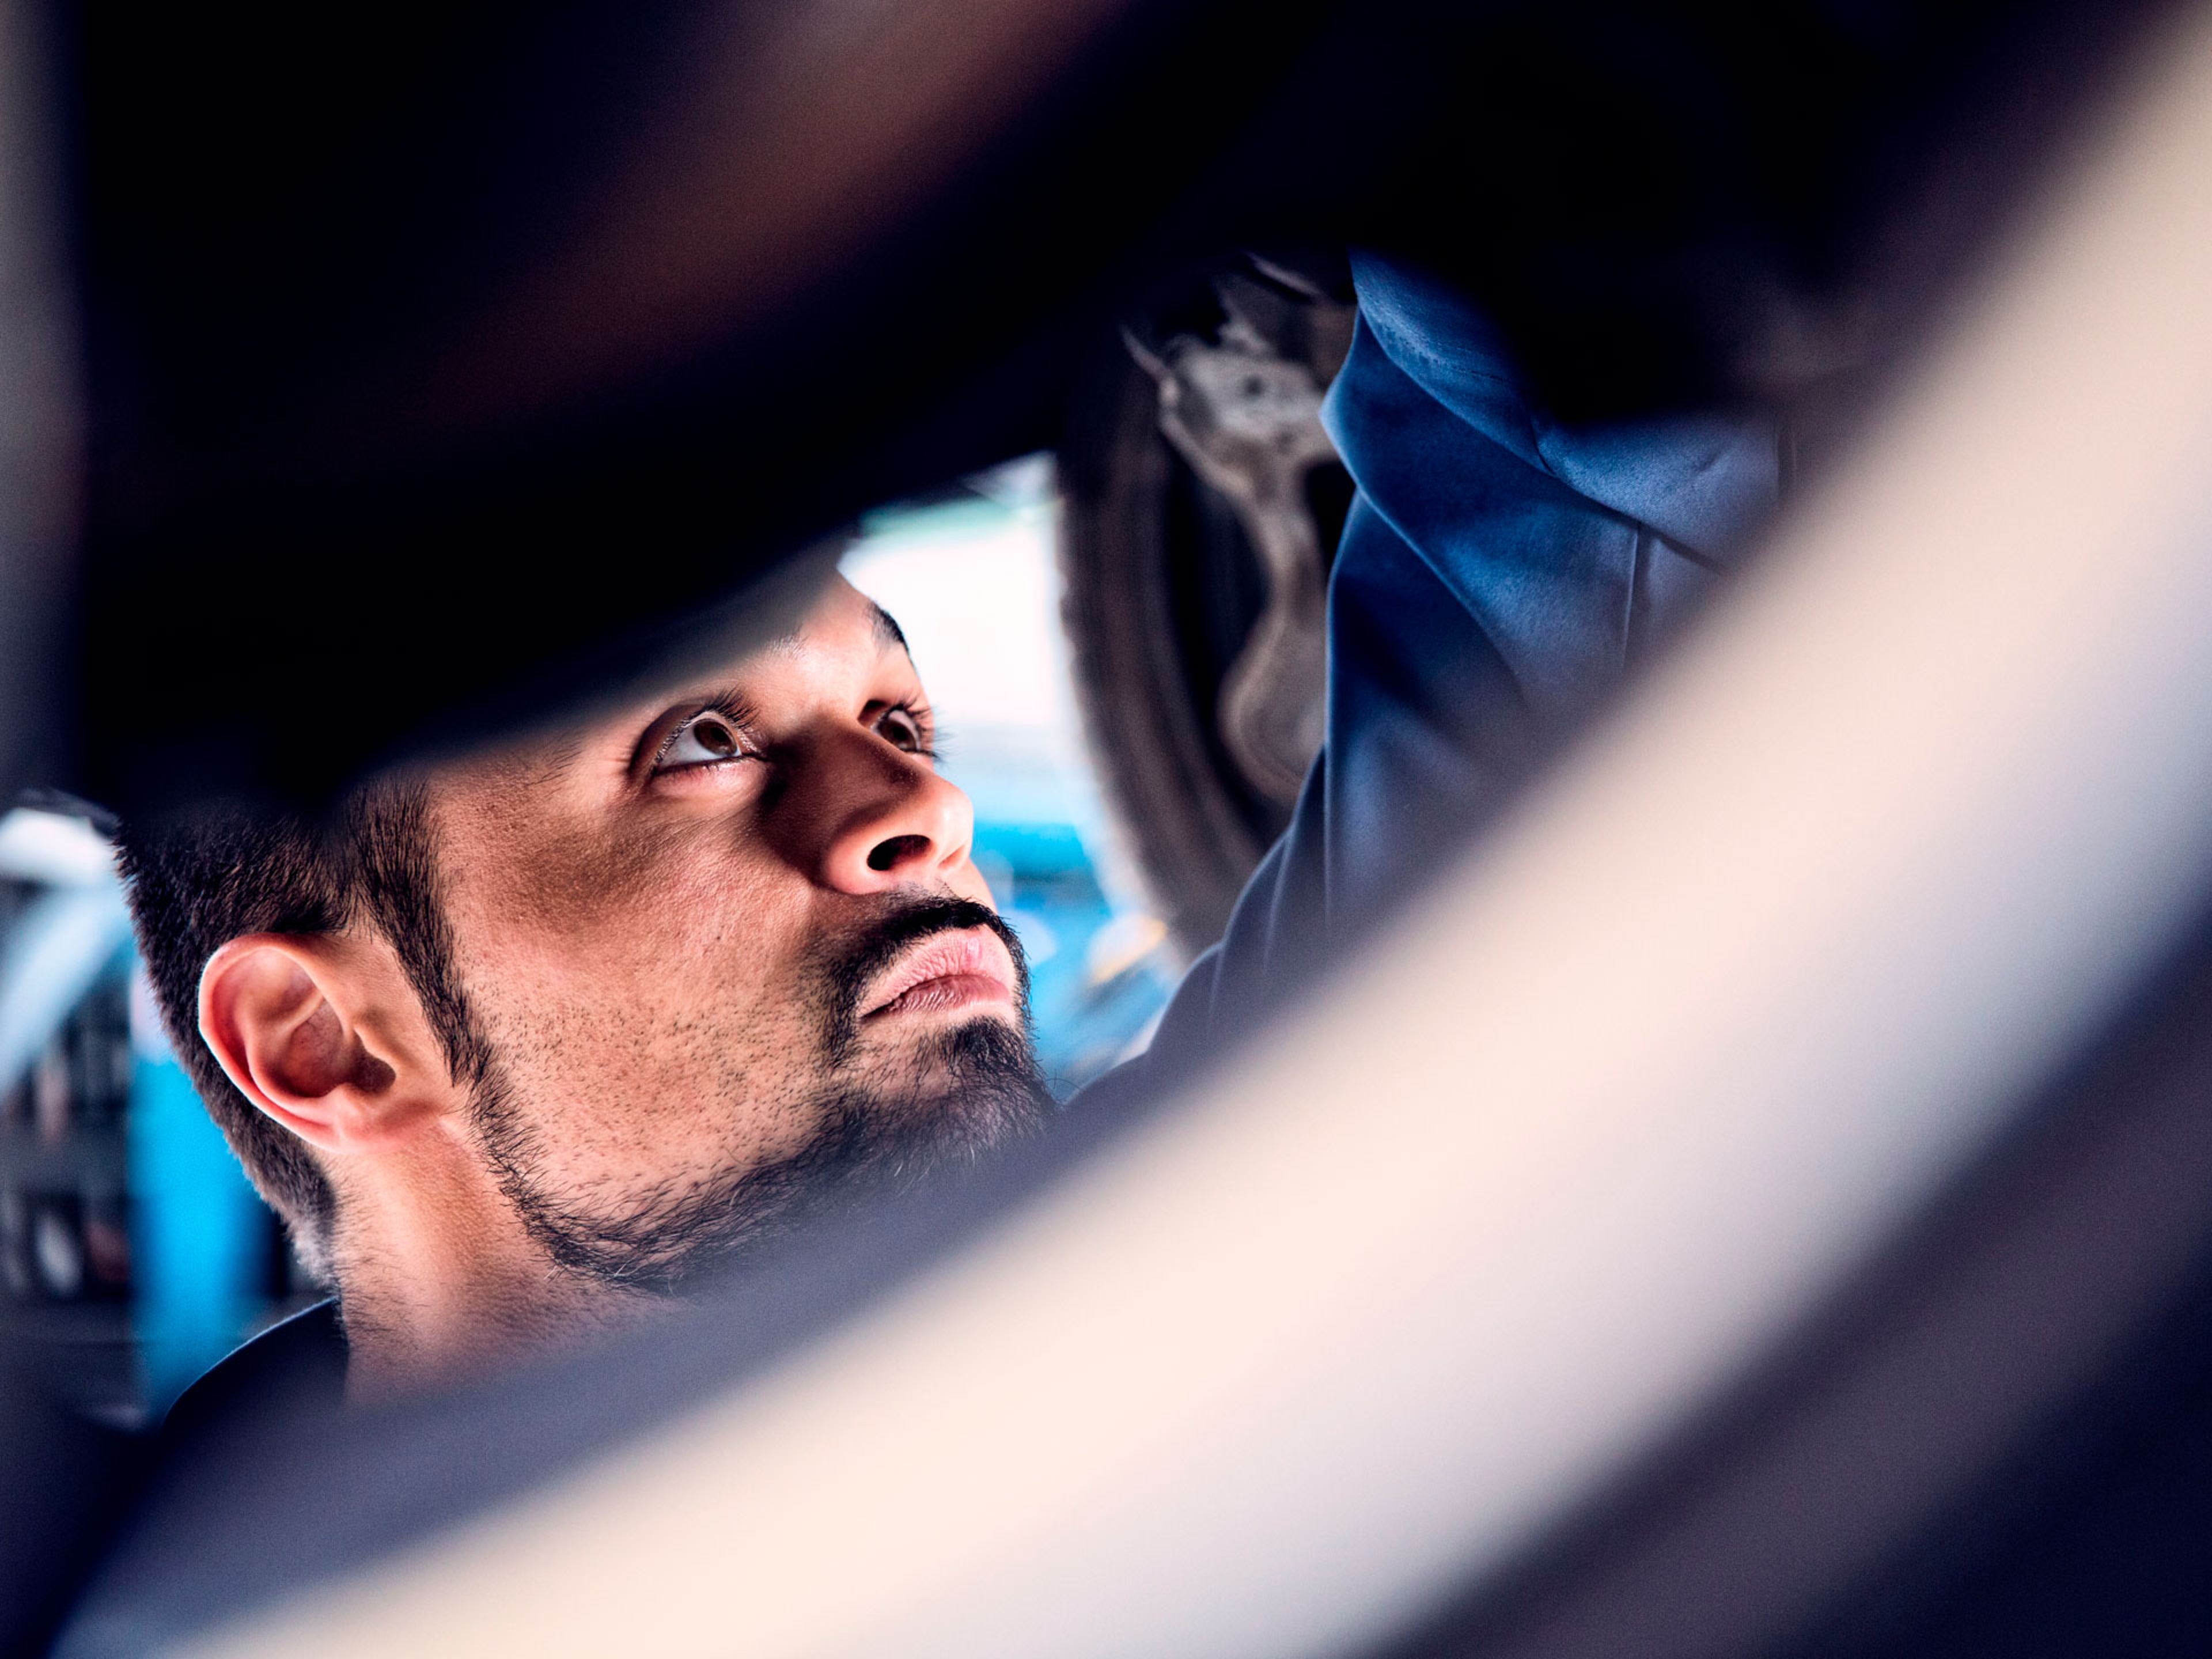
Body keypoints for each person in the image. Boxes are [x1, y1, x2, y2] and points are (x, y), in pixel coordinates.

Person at [119, 252, 1782, 1422]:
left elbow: (1572, 554)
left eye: (898, 722)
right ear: (325, 1037)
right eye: (699, 742)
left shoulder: (1187, 1331)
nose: (924, 811)